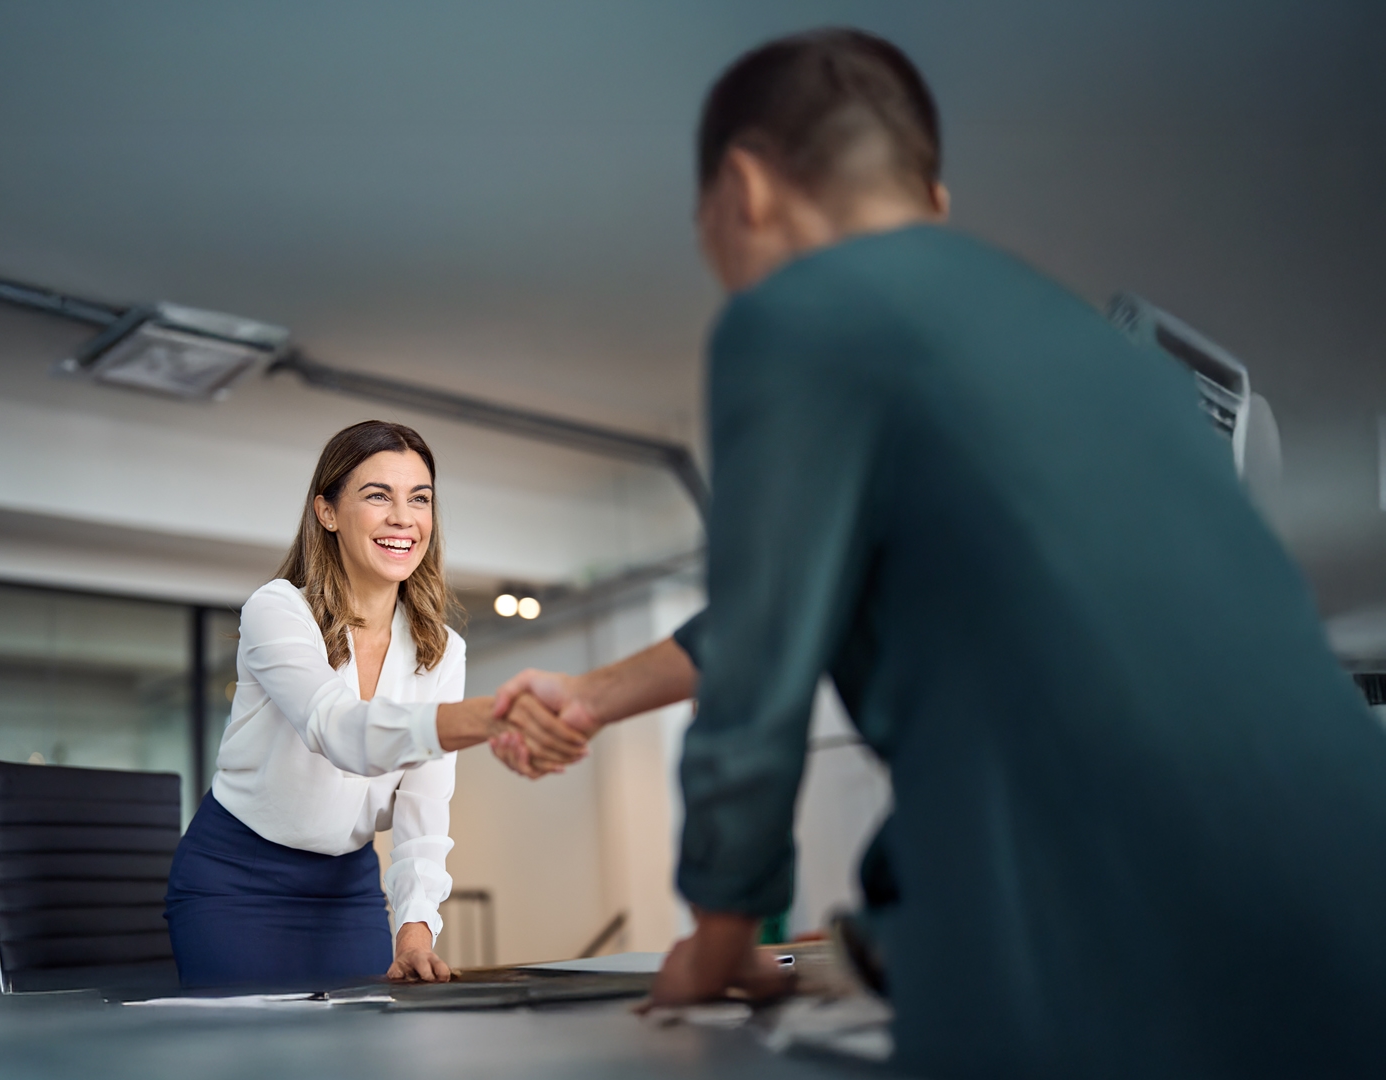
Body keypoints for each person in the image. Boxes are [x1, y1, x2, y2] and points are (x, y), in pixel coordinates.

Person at [488, 27, 1386, 1079]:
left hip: (1130, 955)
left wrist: (723, 931)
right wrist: (592, 696)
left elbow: (763, 666)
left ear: (744, 192)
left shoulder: (797, 317)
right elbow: (800, 600)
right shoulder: (1100, 357)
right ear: (935, 202)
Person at [166, 420, 521, 988]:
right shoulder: (278, 610)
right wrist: (486, 717)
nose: (403, 517)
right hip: (238, 880)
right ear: (327, 512)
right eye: (378, 495)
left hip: (347, 887)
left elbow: (423, 813)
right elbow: (339, 730)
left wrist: (415, 930)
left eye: (420, 499)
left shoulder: (440, 650)